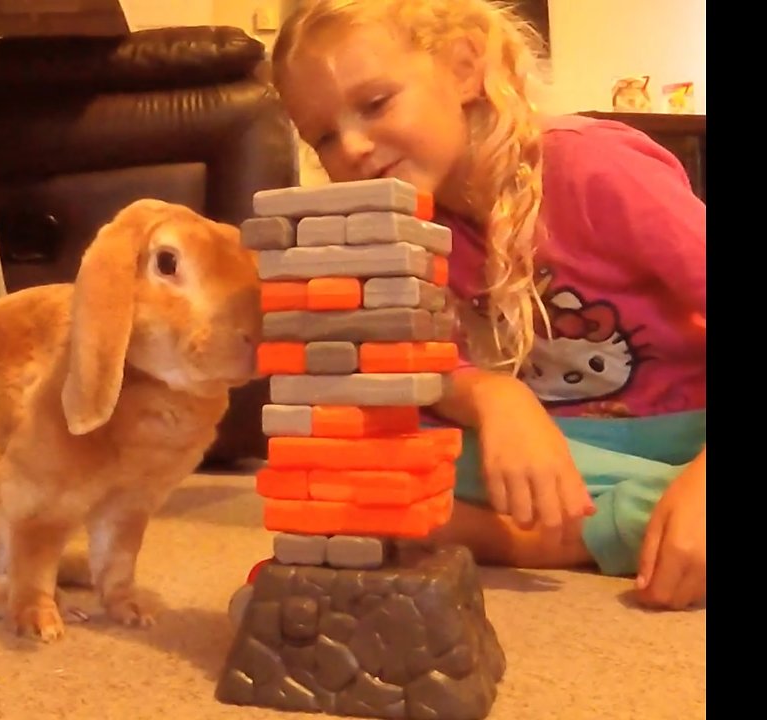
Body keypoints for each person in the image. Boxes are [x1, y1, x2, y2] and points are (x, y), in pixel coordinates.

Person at [270, 0, 705, 611]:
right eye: (324, 137)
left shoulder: (592, 169)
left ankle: (578, 536)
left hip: (680, 432)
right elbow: (405, 358)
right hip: (557, 443)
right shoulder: (395, 222)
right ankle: (627, 528)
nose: (355, 146)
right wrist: (493, 397)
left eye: (374, 104)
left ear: (464, 68)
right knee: (349, 453)